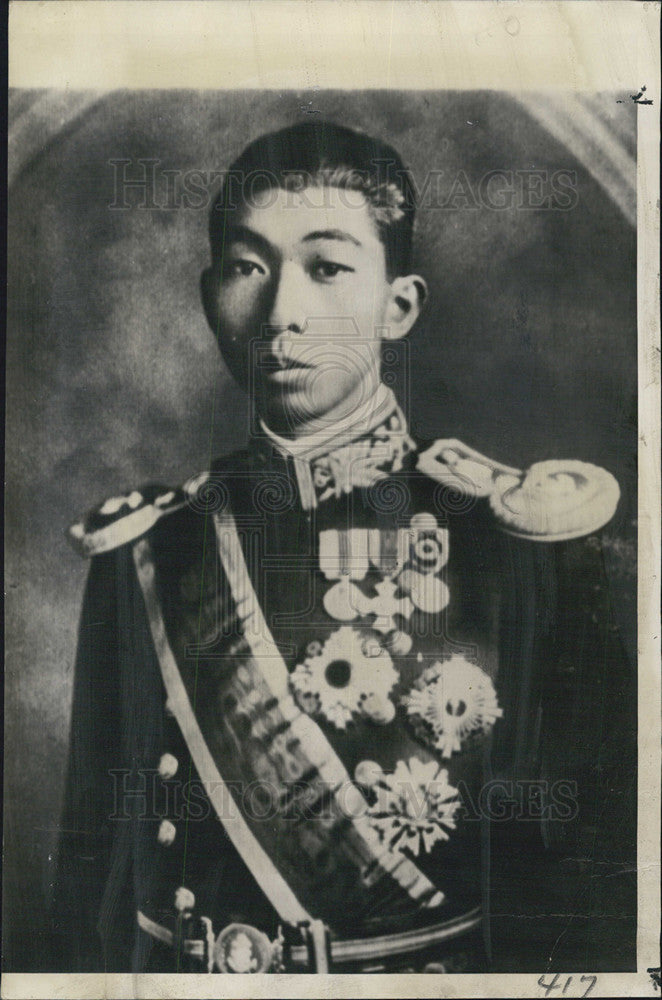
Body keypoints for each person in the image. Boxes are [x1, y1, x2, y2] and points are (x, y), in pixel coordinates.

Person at [53, 120, 621, 974]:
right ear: (211, 296)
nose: (283, 313)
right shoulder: (147, 551)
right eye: (249, 267)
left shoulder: (523, 548)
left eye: (327, 267)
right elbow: (88, 888)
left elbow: (582, 900)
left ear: (400, 306)